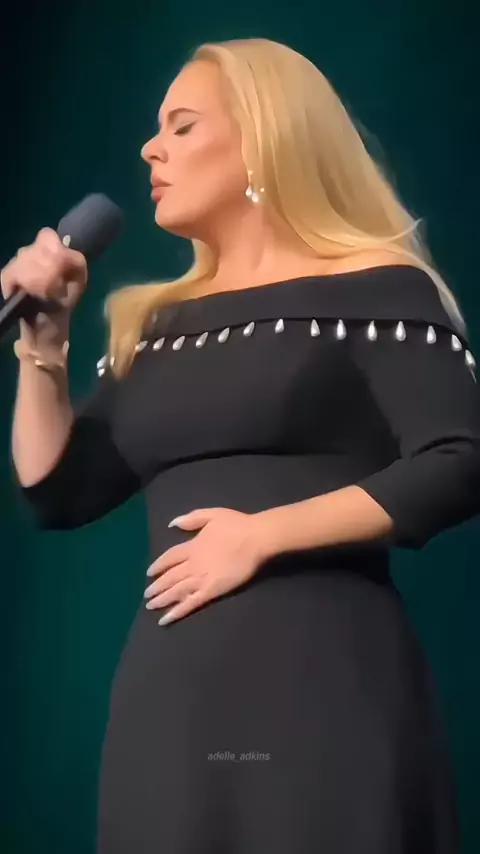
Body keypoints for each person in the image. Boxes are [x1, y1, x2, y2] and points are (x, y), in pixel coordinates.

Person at [3, 36, 479, 854]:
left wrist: (262, 536)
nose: (150, 148)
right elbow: (57, 493)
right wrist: (43, 347)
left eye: (182, 126)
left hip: (325, 693)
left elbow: (460, 458)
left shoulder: (377, 286)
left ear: (265, 138)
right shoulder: (158, 326)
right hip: (171, 709)